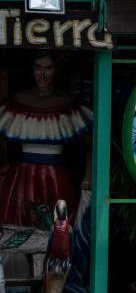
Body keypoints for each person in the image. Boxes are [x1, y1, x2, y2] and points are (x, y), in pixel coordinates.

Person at [0, 52, 92, 226]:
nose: (42, 74)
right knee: (20, 228)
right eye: (38, 68)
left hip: (55, 177)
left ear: (57, 71)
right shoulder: (16, 101)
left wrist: (88, 176)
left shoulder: (70, 104)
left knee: (58, 230)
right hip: (21, 178)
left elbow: (92, 144)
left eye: (48, 68)